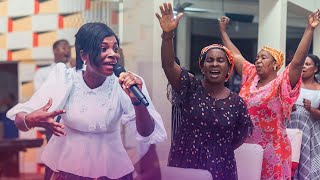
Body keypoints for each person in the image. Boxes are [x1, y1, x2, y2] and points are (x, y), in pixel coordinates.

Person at [6, 22, 167, 180]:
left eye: (115, 49)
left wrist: (137, 103)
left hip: (112, 171)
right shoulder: (65, 78)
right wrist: (29, 119)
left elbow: (147, 133)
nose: (113, 54)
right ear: (84, 55)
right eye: (104, 48)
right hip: (64, 170)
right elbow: (20, 119)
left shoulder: (128, 83)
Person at [219, 10, 320, 179]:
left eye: (263, 58)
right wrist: (222, 31)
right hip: (246, 145)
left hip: (272, 151)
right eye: (257, 58)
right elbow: (235, 55)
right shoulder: (251, 76)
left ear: (275, 64)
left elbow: (296, 63)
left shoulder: (281, 83)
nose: (258, 61)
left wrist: (309, 29)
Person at [156, 3, 253, 179]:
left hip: (221, 166)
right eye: (210, 60)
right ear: (202, 66)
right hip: (186, 163)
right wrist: (167, 35)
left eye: (220, 60)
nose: (215, 64)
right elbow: (168, 65)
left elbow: (239, 137)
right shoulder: (190, 87)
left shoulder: (237, 103)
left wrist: (217, 148)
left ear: (229, 68)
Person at [287, 54, 320, 180]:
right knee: (291, 161)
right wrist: (289, 107)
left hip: (310, 135)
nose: (303, 67)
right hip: (290, 130)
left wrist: (311, 109)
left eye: (307, 64)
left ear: (315, 69)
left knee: (306, 165)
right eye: (302, 65)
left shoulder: (319, 89)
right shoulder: (292, 85)